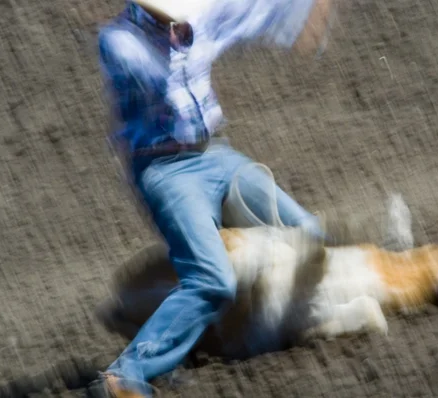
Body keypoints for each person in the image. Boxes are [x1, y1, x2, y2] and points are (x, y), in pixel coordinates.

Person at [92, 0, 334, 396]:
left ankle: (223, 328)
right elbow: (155, 79)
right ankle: (124, 374)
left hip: (215, 156)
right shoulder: (119, 40)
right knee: (211, 280)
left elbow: (254, 8)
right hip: (165, 171)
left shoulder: (197, 11)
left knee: (307, 232)